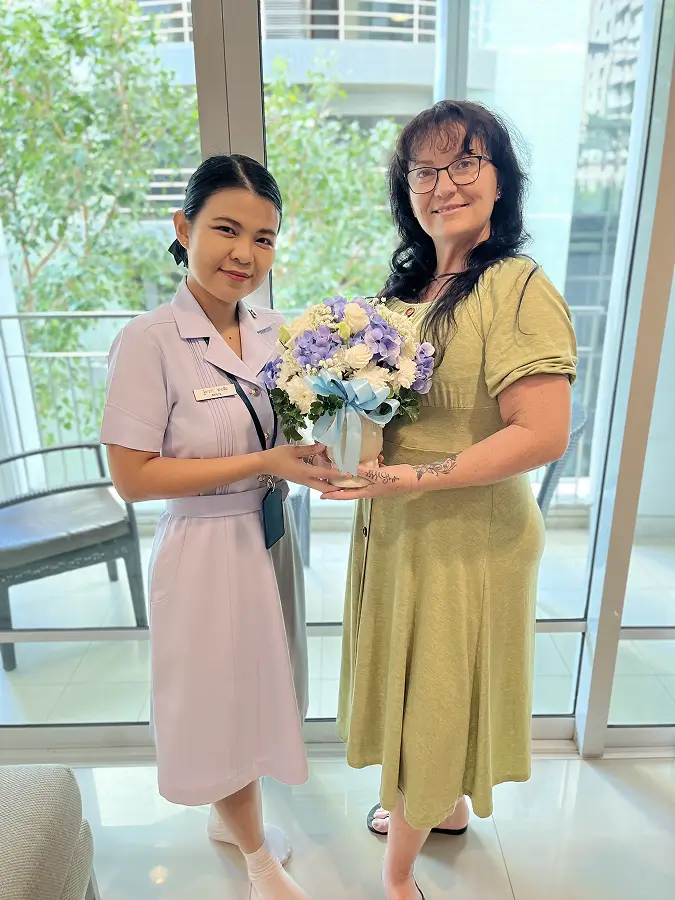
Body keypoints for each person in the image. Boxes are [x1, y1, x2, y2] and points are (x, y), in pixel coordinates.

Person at [321, 101, 578, 900]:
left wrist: (417, 478)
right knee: (425, 680)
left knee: (430, 694)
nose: (444, 184)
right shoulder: (406, 289)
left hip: (464, 531)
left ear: (501, 180)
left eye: (466, 162)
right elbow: (379, 410)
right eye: (424, 170)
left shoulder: (515, 285)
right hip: (401, 525)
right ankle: (447, 808)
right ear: (407, 189)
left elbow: (539, 433)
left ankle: (397, 876)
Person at [101, 154, 336, 900]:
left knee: (267, 688)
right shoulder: (148, 341)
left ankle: (228, 817)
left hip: (270, 537)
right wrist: (267, 456)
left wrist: (323, 452)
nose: (246, 255)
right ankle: (257, 859)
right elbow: (133, 476)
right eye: (226, 230)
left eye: (264, 238)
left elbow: (293, 426)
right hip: (204, 547)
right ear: (183, 228)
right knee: (219, 699)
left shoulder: (275, 331)